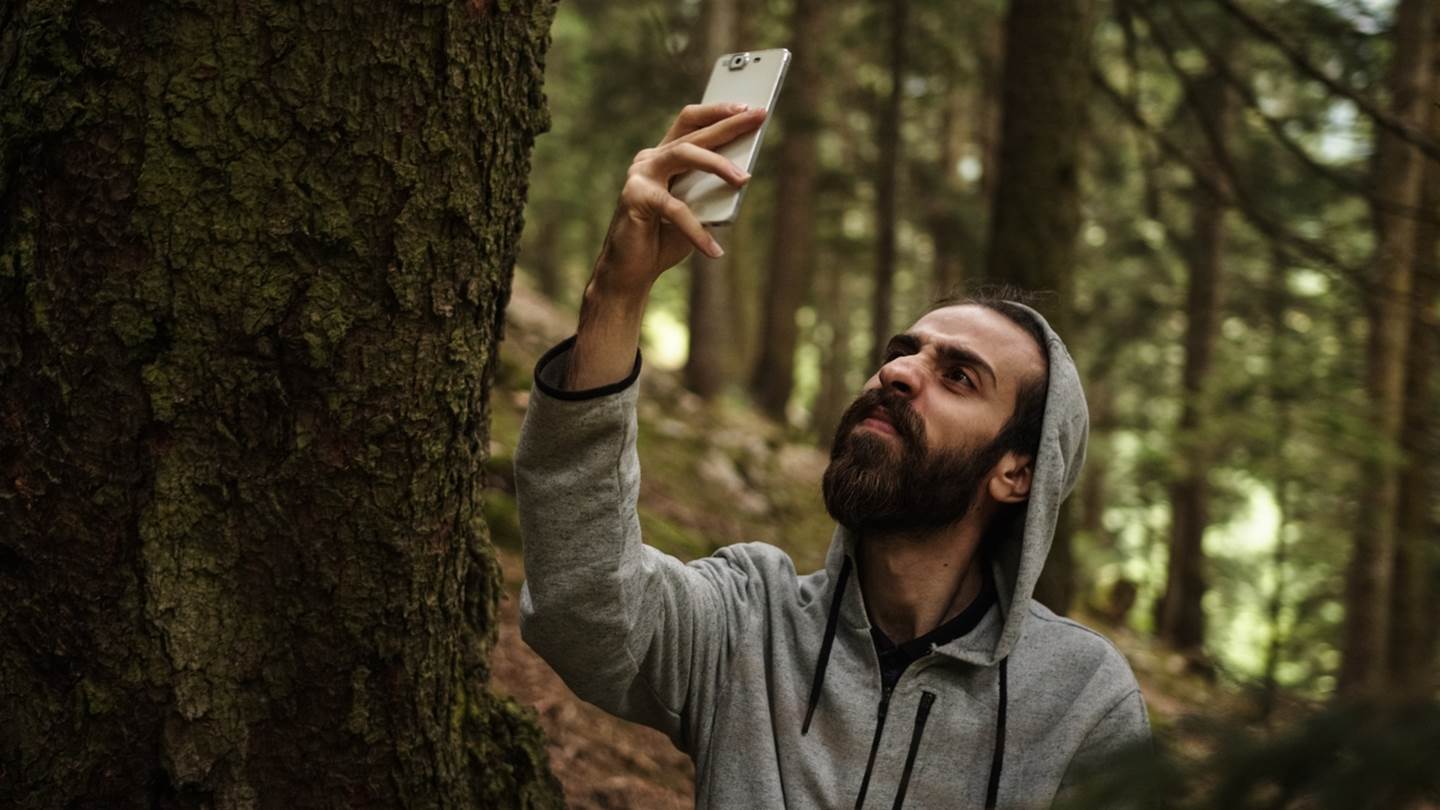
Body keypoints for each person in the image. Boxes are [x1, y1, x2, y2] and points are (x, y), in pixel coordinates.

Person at [513, 102, 1150, 809]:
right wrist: (617, 291)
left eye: (958, 376)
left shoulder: (1083, 698)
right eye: (902, 353)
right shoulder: (750, 616)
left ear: (1016, 472)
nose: (898, 374)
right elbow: (581, 608)